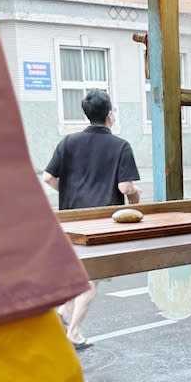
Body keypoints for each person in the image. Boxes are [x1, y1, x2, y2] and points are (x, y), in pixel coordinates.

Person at [42, 89, 141, 350]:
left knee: (80, 271)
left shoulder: (68, 142)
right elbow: (125, 188)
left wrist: (68, 193)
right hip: (102, 223)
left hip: (71, 220)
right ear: (110, 115)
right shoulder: (121, 146)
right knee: (90, 279)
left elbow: (48, 178)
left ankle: (64, 310)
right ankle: (73, 331)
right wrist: (136, 197)